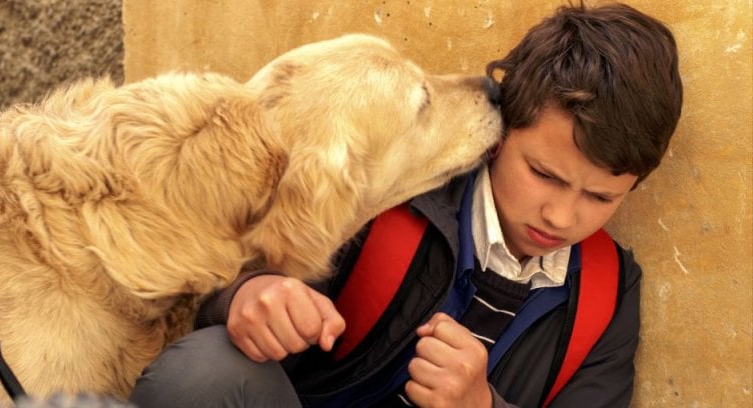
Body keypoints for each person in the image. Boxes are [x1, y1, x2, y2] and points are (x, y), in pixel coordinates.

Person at [129, 2, 682, 407]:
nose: (561, 216)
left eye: (601, 196)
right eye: (542, 174)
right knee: (205, 373)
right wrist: (251, 295)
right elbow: (226, 277)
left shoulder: (608, 290)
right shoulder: (399, 196)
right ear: (500, 132)